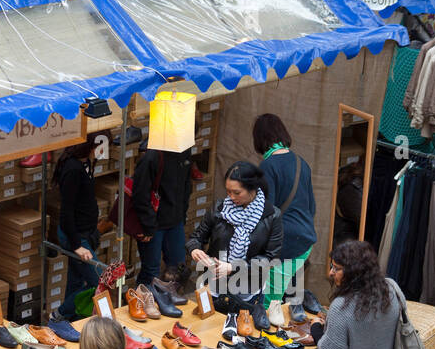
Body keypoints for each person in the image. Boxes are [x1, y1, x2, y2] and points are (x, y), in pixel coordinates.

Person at [188, 161, 283, 333]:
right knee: (209, 332)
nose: (231, 197)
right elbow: (196, 237)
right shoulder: (219, 208)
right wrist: (195, 249)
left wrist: (233, 267)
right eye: (228, 191)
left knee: (244, 336)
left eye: (237, 192)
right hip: (214, 287)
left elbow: (270, 258)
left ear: (252, 189)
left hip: (247, 291)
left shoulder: (272, 216)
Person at [254, 114, 321, 320]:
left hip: (283, 243)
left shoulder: (267, 166)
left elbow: (268, 212)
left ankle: (270, 340)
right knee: (282, 298)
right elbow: (312, 206)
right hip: (305, 240)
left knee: (269, 306)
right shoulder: (302, 163)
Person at [51, 138, 100, 322]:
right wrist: (76, 245)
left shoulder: (86, 163)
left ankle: (68, 322)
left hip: (86, 232)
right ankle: (59, 314)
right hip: (76, 236)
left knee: (76, 281)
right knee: (99, 281)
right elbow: (66, 212)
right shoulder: (72, 169)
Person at [132, 147, 194, 289]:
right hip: (154, 224)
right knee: (151, 270)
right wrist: (148, 226)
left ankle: (170, 301)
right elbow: (140, 194)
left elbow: (186, 185)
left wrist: (182, 215)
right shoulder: (152, 157)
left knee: (178, 268)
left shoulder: (185, 151)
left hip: (175, 221)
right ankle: (142, 302)